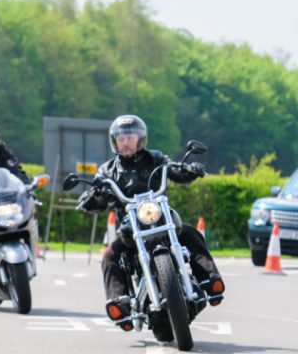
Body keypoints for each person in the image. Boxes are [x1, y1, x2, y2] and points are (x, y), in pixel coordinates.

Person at [77, 115, 225, 329]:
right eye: (121, 138)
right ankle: (119, 303)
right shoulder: (107, 171)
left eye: (130, 138)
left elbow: (174, 170)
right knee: (110, 255)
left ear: (140, 139)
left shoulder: (156, 158)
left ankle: (210, 280)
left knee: (191, 234)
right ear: (114, 141)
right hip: (129, 228)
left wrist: (189, 169)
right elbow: (98, 196)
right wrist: (91, 198)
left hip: (161, 218)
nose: (125, 143)